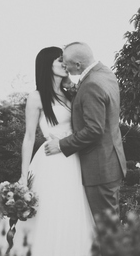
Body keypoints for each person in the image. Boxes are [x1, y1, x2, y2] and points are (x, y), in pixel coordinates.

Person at [0, 46, 95, 256]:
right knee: (48, 213)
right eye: (59, 60)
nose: (65, 63)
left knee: (72, 212)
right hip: (49, 161)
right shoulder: (37, 97)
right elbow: (29, 137)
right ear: (47, 65)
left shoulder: (71, 93)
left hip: (73, 159)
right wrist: (22, 174)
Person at [44, 42, 126, 222]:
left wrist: (60, 144)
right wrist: (74, 89)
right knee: (110, 222)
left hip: (99, 167)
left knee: (106, 228)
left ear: (78, 65)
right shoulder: (105, 73)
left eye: (66, 62)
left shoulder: (91, 84)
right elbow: (95, 100)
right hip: (111, 161)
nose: (64, 66)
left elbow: (94, 130)